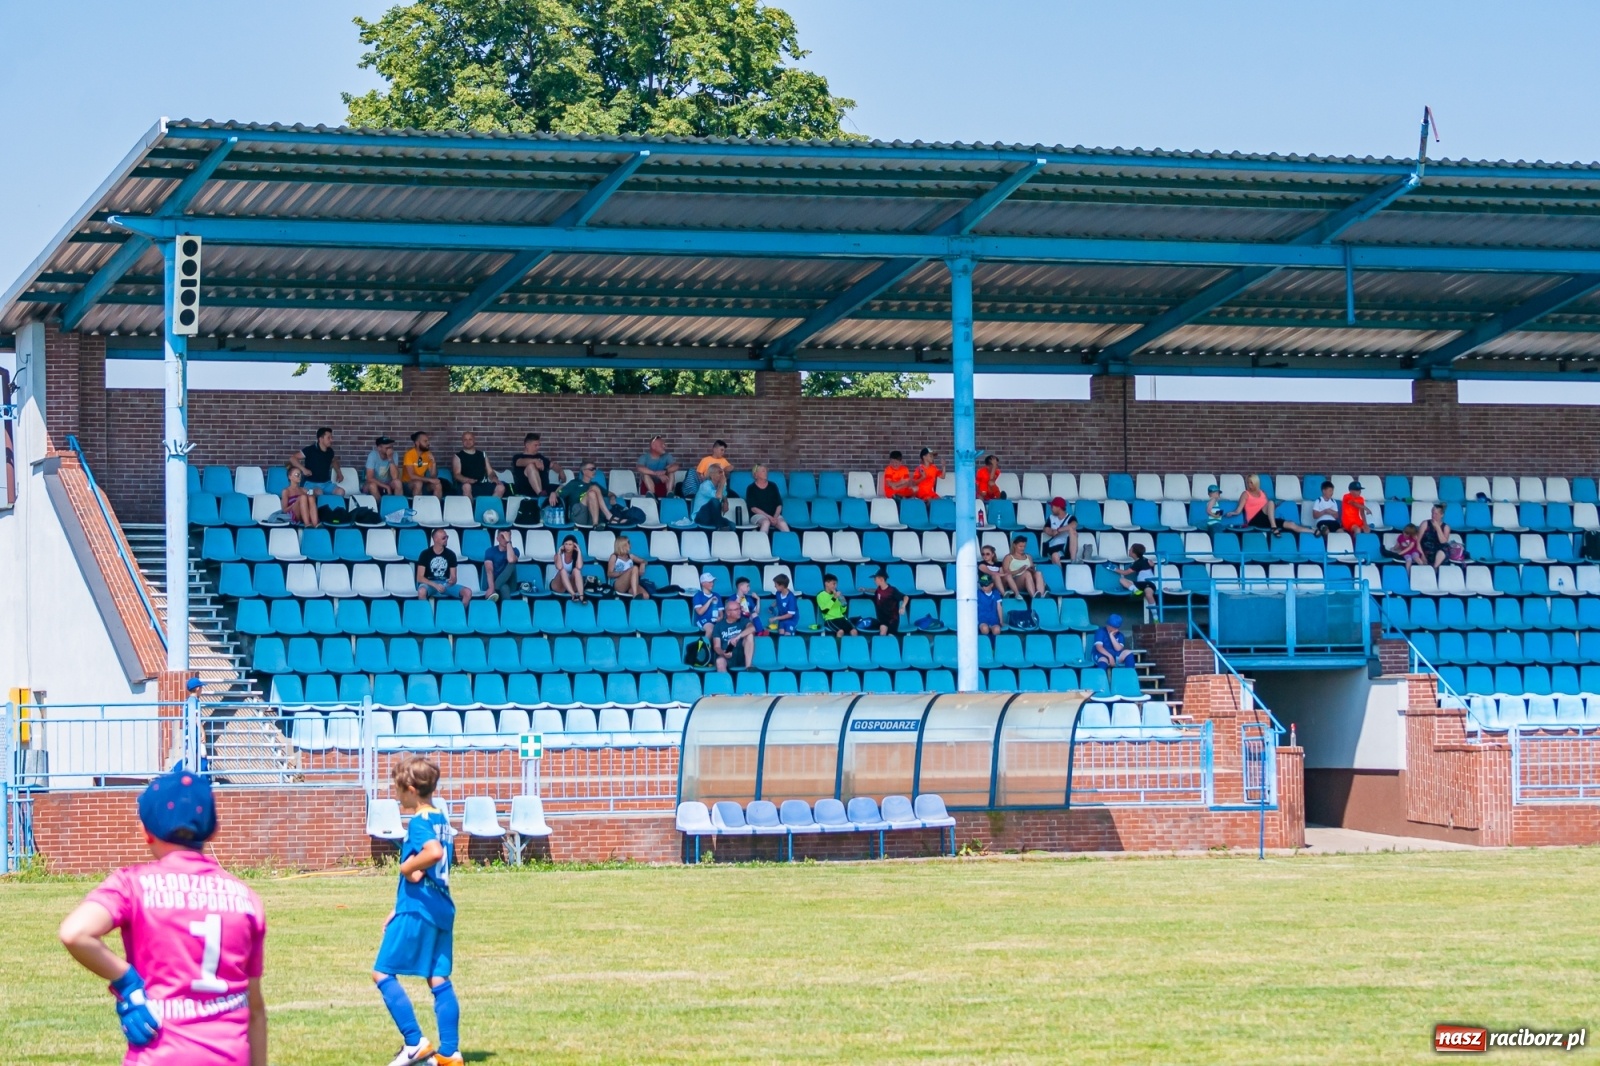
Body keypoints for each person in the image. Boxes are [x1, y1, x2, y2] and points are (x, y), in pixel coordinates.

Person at [58, 768, 267, 1066]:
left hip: (160, 1055)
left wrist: (128, 982)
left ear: (146, 832)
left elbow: (74, 932)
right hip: (229, 1056)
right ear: (213, 829)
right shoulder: (246, 899)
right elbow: (255, 1008)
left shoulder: (133, 884)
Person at [371, 756, 462, 1066]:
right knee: (438, 978)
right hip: (441, 908)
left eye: (398, 791)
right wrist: (396, 908)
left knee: (382, 972)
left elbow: (432, 854)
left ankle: (415, 1043)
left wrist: (407, 865)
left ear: (411, 789)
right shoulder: (442, 820)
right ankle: (450, 1053)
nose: (396, 797)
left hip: (419, 908)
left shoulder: (421, 822)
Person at [1227, 474, 1307, 537]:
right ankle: (1274, 528)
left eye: (1251, 482)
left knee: (1291, 524)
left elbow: (1268, 508)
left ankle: (1314, 531)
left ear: (1256, 483)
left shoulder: (1263, 493)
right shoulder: (1245, 494)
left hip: (1266, 519)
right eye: (1247, 482)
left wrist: (1276, 506)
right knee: (1271, 502)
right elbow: (1238, 510)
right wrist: (1233, 513)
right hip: (1254, 520)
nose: (1249, 484)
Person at [415, 529, 472, 605]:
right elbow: (419, 577)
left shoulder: (451, 554)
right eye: (443, 538)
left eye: (447, 537)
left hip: (445, 583)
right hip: (429, 583)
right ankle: (424, 614)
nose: (446, 539)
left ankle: (460, 613)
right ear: (435, 539)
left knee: (467, 592)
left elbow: (454, 577)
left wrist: (452, 581)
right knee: (421, 591)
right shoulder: (425, 554)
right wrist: (435, 585)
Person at [289, 426, 345, 497]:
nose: (331, 440)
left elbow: (334, 461)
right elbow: (292, 458)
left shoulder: (330, 451)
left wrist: (339, 473)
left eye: (331, 437)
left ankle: (335, 508)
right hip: (311, 483)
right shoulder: (310, 450)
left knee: (341, 492)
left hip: (326, 483)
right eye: (328, 438)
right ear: (321, 439)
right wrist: (303, 469)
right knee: (319, 492)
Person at [509, 433, 561, 506]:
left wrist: (560, 471)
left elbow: (552, 465)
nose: (538, 447)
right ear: (527, 445)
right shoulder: (518, 457)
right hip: (526, 490)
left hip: (545, 489)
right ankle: (541, 496)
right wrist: (535, 461)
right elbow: (519, 462)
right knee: (531, 466)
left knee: (564, 487)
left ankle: (553, 500)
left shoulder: (540, 457)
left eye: (539, 445)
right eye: (535, 445)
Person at [560, 462, 617, 528]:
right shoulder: (574, 483)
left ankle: (595, 524)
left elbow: (610, 493)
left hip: (592, 516)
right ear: (584, 471)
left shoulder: (595, 484)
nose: (594, 471)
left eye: (595, 469)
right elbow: (559, 493)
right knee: (593, 488)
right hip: (579, 516)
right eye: (591, 469)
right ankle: (609, 516)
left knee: (592, 493)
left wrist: (612, 497)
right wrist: (554, 493)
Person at [451, 432, 503, 500]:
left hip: (482, 484)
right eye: (465, 439)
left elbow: (490, 472)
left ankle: (487, 508)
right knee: (467, 486)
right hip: (466, 484)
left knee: (501, 487)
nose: (468, 441)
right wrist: (467, 480)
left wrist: (494, 478)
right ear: (462, 441)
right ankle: (471, 509)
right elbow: (457, 474)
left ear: (474, 440)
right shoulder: (458, 456)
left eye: (470, 439)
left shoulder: (482, 455)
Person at [711, 599, 756, 673]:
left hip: (742, 654)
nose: (739, 611)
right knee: (719, 661)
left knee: (750, 635)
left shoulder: (743, 620)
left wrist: (737, 637)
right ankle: (725, 684)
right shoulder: (718, 626)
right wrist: (723, 652)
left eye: (739, 609)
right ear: (728, 612)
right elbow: (716, 646)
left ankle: (748, 667)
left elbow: (752, 628)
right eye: (736, 609)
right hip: (728, 654)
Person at [744, 465, 789, 534]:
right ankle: (762, 543)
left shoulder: (773, 486)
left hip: (774, 515)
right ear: (756, 474)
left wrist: (775, 517)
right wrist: (769, 517)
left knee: (783, 523)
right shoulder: (751, 488)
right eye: (763, 471)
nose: (766, 473)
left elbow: (779, 504)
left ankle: (789, 543)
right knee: (766, 522)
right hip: (758, 515)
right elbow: (753, 508)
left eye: (766, 471)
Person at [1112, 542, 1157, 607]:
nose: (1129, 550)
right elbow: (1151, 565)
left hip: (1148, 583)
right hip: (1139, 584)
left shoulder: (1139, 563)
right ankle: (1136, 590)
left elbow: (1125, 573)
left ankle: (1155, 615)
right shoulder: (1144, 560)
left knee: (1148, 595)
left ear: (1134, 553)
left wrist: (1114, 569)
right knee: (1122, 579)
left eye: (1130, 549)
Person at [867, 568, 908, 636]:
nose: (874, 581)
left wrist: (903, 607)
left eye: (875, 579)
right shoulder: (879, 589)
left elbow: (905, 597)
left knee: (890, 636)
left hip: (893, 619)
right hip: (883, 619)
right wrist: (865, 589)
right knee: (882, 633)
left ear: (881, 579)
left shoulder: (892, 590)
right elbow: (875, 591)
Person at [482, 529, 519, 602]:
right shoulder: (490, 551)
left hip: (511, 583)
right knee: (504, 587)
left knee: (511, 564)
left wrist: (508, 542)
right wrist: (491, 587)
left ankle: (495, 589)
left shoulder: (515, 551)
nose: (505, 539)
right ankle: (507, 612)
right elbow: (489, 570)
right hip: (493, 582)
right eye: (503, 537)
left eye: (507, 537)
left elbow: (511, 560)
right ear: (497, 539)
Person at [402, 432, 443, 500]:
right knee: (418, 483)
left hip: (423, 484)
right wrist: (429, 480)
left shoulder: (428, 454)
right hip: (408, 485)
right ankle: (416, 508)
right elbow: (412, 476)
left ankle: (436, 509)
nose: (428, 443)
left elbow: (433, 476)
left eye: (428, 441)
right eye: (425, 441)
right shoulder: (409, 454)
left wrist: (434, 463)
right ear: (417, 443)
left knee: (437, 485)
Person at [692, 463, 731, 529]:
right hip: (700, 516)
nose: (722, 475)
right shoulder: (705, 485)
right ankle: (720, 527)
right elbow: (718, 496)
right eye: (720, 472)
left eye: (723, 472)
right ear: (712, 475)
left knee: (731, 525)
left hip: (713, 517)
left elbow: (724, 494)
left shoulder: (720, 486)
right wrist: (722, 483)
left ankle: (720, 527)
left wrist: (725, 502)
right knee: (714, 501)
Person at [550, 535, 586, 602]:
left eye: (570, 544)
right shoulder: (558, 555)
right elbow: (559, 567)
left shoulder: (577, 556)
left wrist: (579, 551)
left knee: (576, 570)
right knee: (562, 571)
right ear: (563, 546)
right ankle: (573, 595)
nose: (568, 547)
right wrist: (559, 553)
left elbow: (579, 567)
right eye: (566, 544)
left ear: (574, 546)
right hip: (558, 584)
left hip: (570, 583)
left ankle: (581, 596)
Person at [1043, 498, 1078, 563]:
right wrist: (1053, 532)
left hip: (1067, 546)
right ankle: (1060, 573)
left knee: (1072, 531)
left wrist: (1059, 530)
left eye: (1052, 506)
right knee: (1055, 556)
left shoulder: (1070, 517)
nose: (1051, 508)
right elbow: (1046, 529)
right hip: (1055, 546)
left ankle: (1073, 561)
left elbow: (1074, 525)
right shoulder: (1051, 518)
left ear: (1058, 507)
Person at [1419, 503, 1453, 568]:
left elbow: (1443, 542)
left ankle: (1434, 568)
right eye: (1432, 513)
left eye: (1436, 514)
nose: (1433, 516)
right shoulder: (1425, 524)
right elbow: (1417, 542)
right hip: (1425, 551)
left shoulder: (1446, 527)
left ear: (1442, 515)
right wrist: (1422, 555)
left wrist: (1438, 527)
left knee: (1444, 549)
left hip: (1439, 553)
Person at [692, 573, 721, 638]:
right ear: (703, 584)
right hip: (703, 620)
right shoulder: (698, 596)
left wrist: (720, 618)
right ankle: (703, 647)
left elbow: (721, 612)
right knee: (710, 630)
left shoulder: (717, 595)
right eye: (709, 582)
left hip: (716, 620)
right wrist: (710, 601)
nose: (712, 584)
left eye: (712, 582)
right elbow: (700, 612)